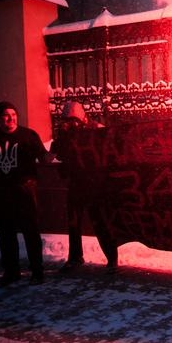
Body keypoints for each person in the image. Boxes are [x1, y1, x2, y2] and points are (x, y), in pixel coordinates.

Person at [0, 101, 52, 286]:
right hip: (1, 192)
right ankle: (11, 271)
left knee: (31, 232)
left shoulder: (28, 136)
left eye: (13, 114)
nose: (11, 118)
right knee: (6, 235)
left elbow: (43, 157)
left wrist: (52, 154)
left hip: (24, 192)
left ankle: (37, 271)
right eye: (5, 115)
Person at [50, 101, 118, 274]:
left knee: (100, 222)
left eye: (75, 120)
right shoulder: (65, 135)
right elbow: (54, 155)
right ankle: (75, 257)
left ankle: (112, 259)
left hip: (95, 185)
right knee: (74, 223)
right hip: (76, 184)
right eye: (68, 120)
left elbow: (110, 145)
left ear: (83, 118)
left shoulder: (96, 130)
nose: (72, 123)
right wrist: (62, 138)